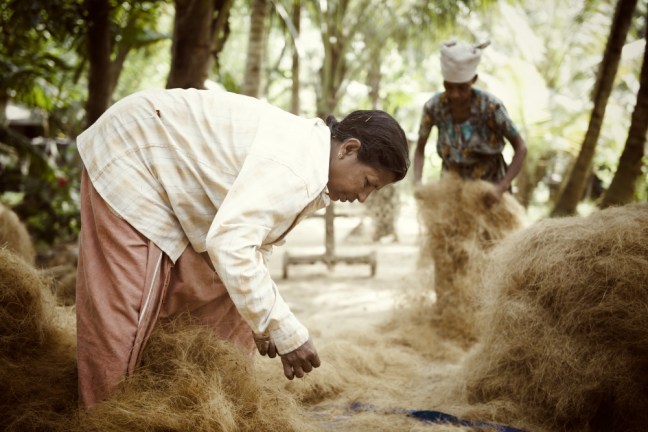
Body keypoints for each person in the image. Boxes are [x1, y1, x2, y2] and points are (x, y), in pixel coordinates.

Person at [74, 87, 409, 407]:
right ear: (348, 149)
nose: (362, 198)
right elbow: (231, 244)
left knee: (225, 296)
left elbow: (255, 244)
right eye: (367, 183)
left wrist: (262, 324)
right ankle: (108, 416)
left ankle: (194, 405)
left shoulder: (311, 162)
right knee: (130, 307)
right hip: (132, 152)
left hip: (161, 171)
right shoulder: (298, 167)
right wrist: (287, 331)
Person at [413, 39, 527, 195]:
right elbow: (420, 148)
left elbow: (521, 147)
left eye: (462, 88)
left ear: (473, 80)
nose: (455, 94)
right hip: (451, 188)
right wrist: (418, 182)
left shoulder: (491, 107)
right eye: (449, 86)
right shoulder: (433, 107)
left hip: (490, 190)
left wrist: (502, 186)